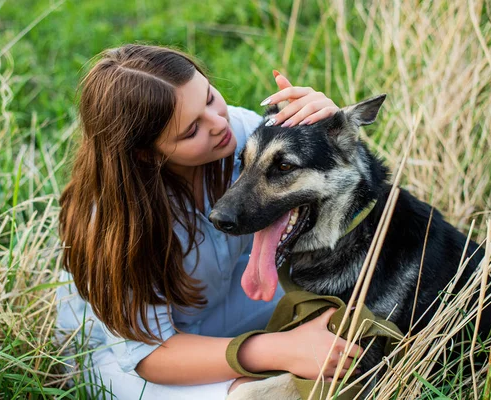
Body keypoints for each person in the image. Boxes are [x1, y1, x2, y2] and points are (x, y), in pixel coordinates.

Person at [56, 44, 362, 400]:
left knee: (349, 323)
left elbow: (334, 187)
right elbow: (148, 355)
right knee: (256, 396)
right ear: (145, 152)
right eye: (190, 132)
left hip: (231, 303)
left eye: (209, 98)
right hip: (136, 357)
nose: (219, 124)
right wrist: (280, 349)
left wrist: (328, 127)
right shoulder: (116, 220)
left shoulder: (242, 133)